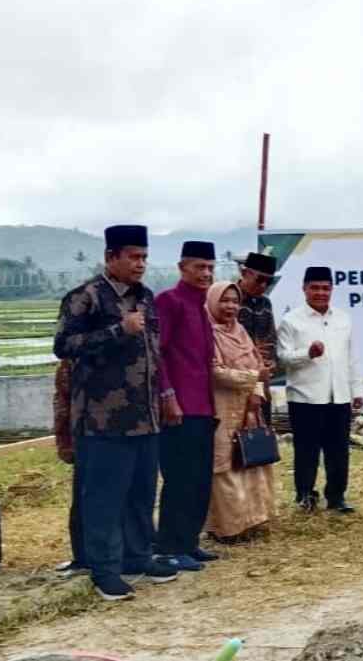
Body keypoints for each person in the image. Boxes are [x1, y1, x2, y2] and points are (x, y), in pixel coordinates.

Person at [53, 224, 178, 601]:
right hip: (102, 421)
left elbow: (153, 353)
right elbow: (64, 345)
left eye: (144, 257)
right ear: (111, 257)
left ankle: (137, 558)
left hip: (145, 418)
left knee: (141, 495)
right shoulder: (86, 297)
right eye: (133, 257)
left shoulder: (146, 297)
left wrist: (165, 395)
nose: (140, 264)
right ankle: (104, 571)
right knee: (104, 499)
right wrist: (117, 330)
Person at [277, 266, 363, 513]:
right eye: (314, 288)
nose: (320, 293)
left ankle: (337, 497)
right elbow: (283, 357)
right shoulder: (291, 320)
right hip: (305, 397)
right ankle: (305, 496)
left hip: (339, 396)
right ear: (304, 289)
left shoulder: (343, 319)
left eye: (325, 288)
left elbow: (351, 358)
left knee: (338, 451)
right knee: (307, 451)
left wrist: (357, 390)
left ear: (332, 290)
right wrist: (308, 353)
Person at [154, 240, 219, 571]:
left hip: (204, 407)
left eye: (210, 267)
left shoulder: (201, 306)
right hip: (179, 407)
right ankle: (168, 546)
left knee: (200, 478)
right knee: (179, 478)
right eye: (199, 267)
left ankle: (189, 541)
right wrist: (168, 395)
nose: (206, 273)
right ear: (182, 268)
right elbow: (158, 352)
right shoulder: (169, 301)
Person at [204, 281, 278, 542]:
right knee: (225, 466)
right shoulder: (207, 332)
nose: (230, 307)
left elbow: (258, 365)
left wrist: (257, 395)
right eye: (224, 301)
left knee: (250, 461)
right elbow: (213, 371)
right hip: (221, 408)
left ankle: (253, 522)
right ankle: (227, 528)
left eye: (235, 301)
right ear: (212, 301)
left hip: (249, 408)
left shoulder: (241, 330)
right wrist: (252, 378)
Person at [52, 358, 87, 578]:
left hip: (98, 436)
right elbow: (63, 404)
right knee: (83, 499)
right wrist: (64, 442)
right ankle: (83, 556)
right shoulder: (70, 363)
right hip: (83, 437)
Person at [236, 252, 279, 424]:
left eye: (269, 282)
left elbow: (271, 339)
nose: (263, 285)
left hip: (261, 377)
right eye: (260, 279)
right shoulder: (228, 298)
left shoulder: (265, 303)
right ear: (245, 273)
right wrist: (252, 353)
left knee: (261, 426)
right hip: (235, 377)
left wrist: (270, 361)